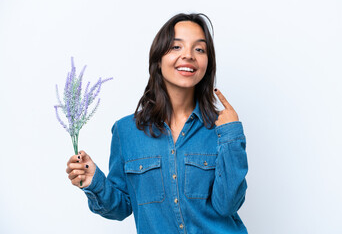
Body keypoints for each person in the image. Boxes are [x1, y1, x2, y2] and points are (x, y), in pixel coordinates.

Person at [66, 13, 248, 234]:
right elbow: (121, 208)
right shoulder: (126, 131)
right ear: (158, 59)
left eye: (199, 49)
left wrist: (231, 134)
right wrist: (94, 181)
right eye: (176, 47)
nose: (188, 55)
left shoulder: (223, 129)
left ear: (207, 64)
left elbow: (227, 205)